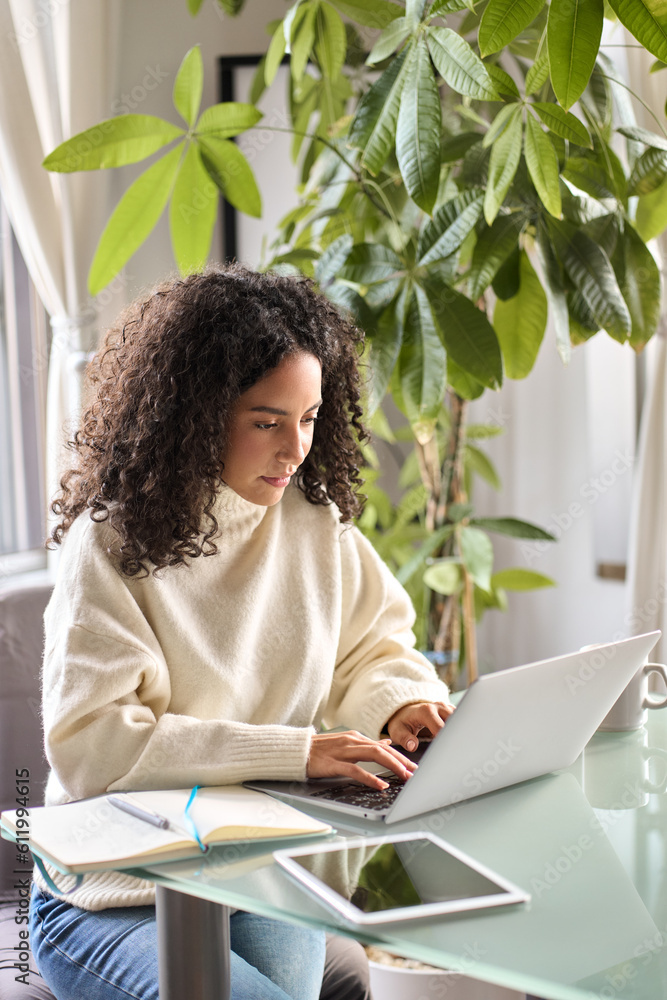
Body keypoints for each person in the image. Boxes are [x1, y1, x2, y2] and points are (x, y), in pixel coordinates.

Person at [29, 264, 454, 1000]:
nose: (296, 449)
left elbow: (372, 648)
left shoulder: (314, 524)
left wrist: (399, 702)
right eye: (267, 422)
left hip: (260, 864)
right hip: (117, 894)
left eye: (310, 418)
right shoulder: (109, 547)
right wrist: (297, 752)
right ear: (195, 413)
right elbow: (94, 743)